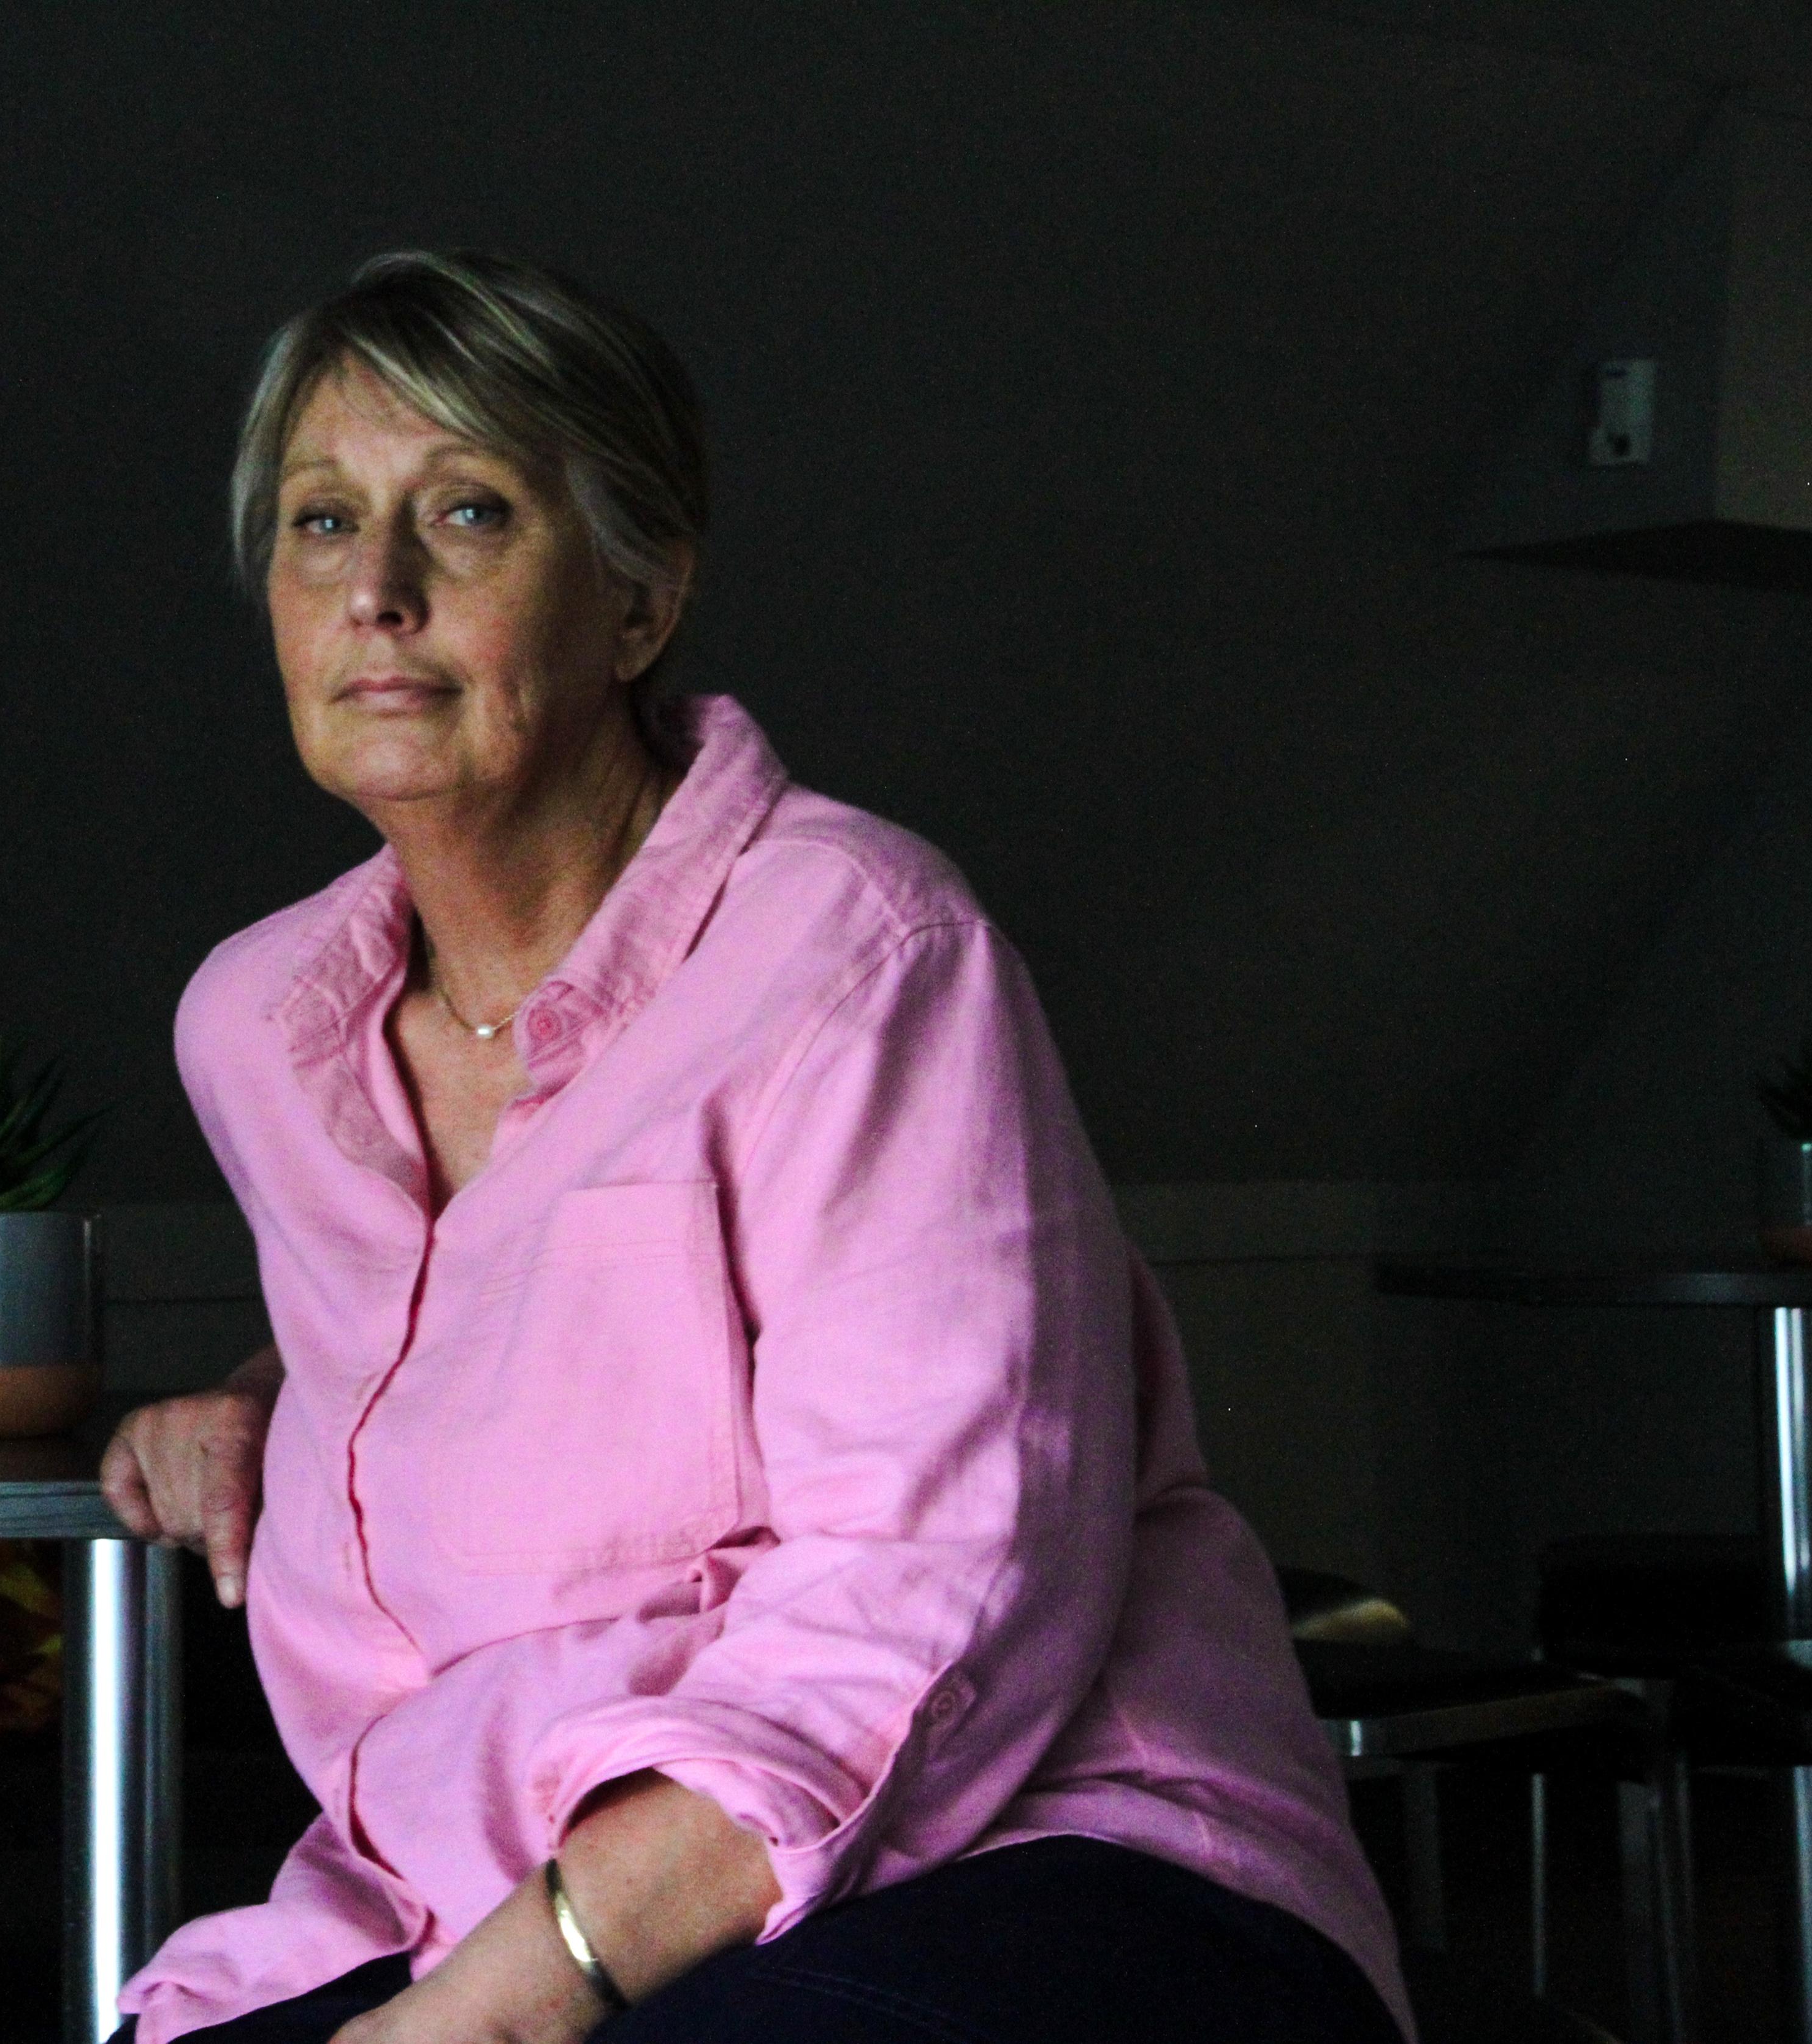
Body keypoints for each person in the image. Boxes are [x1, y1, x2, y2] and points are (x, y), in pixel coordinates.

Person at [98, 250, 1409, 2044]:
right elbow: (514, 1304)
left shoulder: (856, 947)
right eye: (323, 524)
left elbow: (940, 1576)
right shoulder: (261, 1025)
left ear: (640, 601)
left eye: (467, 513)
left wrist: (508, 1998)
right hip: (463, 1883)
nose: (377, 593)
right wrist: (270, 1385)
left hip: (1033, 1848)